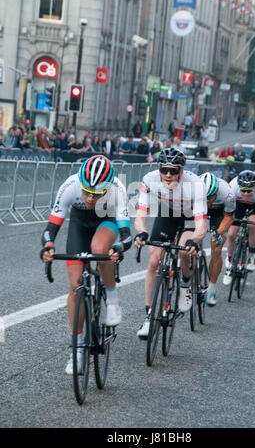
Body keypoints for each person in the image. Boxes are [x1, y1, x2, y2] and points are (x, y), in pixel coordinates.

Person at [40, 155, 132, 375]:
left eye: (97, 193)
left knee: (100, 250)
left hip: (105, 221)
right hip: (79, 224)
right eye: (87, 191)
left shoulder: (117, 190)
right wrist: (48, 246)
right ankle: (78, 348)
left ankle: (112, 299)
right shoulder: (70, 186)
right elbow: (49, 229)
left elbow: (127, 236)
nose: (90, 197)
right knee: (75, 286)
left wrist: (118, 248)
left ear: (107, 188)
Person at [134, 148, 208, 339]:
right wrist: (142, 232)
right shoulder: (149, 179)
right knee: (153, 262)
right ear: (159, 169)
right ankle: (149, 317)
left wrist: (194, 239)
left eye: (173, 171)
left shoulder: (196, 184)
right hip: (167, 214)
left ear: (181, 171)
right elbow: (140, 214)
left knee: (184, 251)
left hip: (190, 218)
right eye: (164, 169)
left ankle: (185, 284)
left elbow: (201, 225)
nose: (168, 175)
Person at [223, 170, 255, 284]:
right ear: (239, 187)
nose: (246, 193)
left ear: (254, 187)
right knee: (231, 234)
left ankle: (252, 256)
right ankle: (229, 261)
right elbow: (227, 210)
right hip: (237, 204)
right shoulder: (232, 187)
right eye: (243, 190)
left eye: (249, 191)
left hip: (254, 205)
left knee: (253, 226)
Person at [199, 173, 236, 306]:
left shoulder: (227, 194)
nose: (207, 201)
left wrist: (217, 233)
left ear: (216, 192)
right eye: (205, 197)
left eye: (210, 197)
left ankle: (211, 290)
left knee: (217, 247)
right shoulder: (192, 189)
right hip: (197, 207)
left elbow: (229, 217)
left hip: (219, 211)